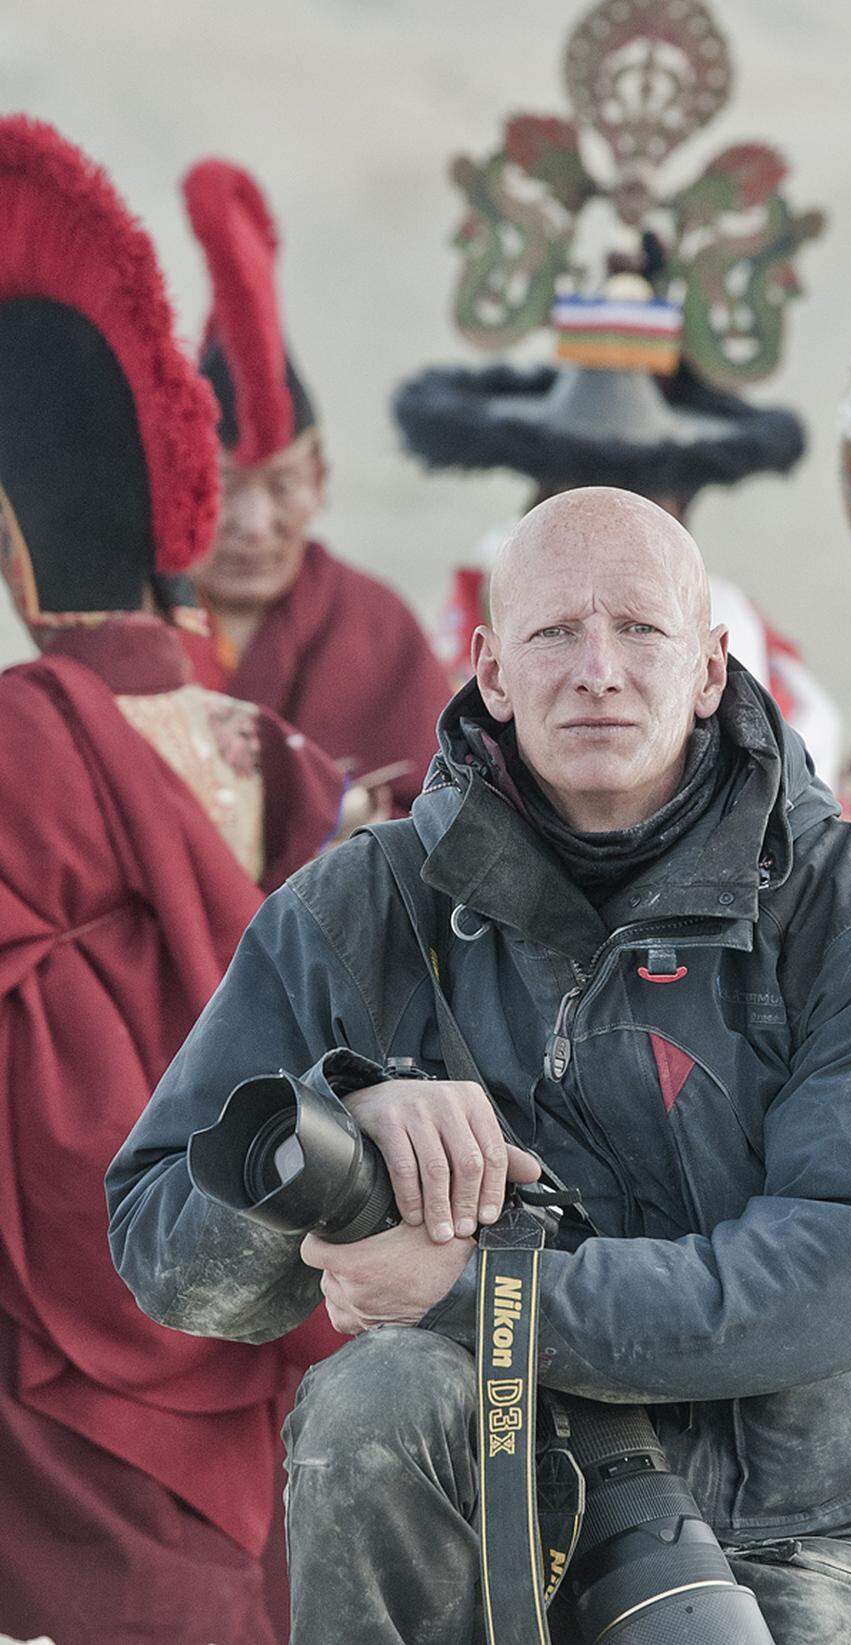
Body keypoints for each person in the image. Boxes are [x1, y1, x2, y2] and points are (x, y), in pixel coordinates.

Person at [110, 485, 851, 1644]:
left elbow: (818, 1279)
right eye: (555, 632)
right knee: (376, 1395)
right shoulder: (362, 908)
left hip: (794, 1517)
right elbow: (163, 1246)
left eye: (641, 631)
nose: (598, 670)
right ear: (492, 668)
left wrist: (475, 1291)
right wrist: (343, 1125)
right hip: (468, 1489)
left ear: (710, 666)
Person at [0, 116, 349, 1645]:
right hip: (247, 1267)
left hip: (66, 1342)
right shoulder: (268, 740)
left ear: (18, 534)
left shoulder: (24, 729)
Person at [392, 0, 842, 787]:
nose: (619, 520)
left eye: (647, 495)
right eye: (584, 492)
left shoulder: (747, 644)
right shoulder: (469, 615)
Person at [182, 158, 451, 813]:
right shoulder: (136, 627)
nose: (252, 523)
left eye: (281, 486)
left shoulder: (374, 628)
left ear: (321, 479)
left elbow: (446, 825)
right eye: (223, 486)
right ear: (176, 484)